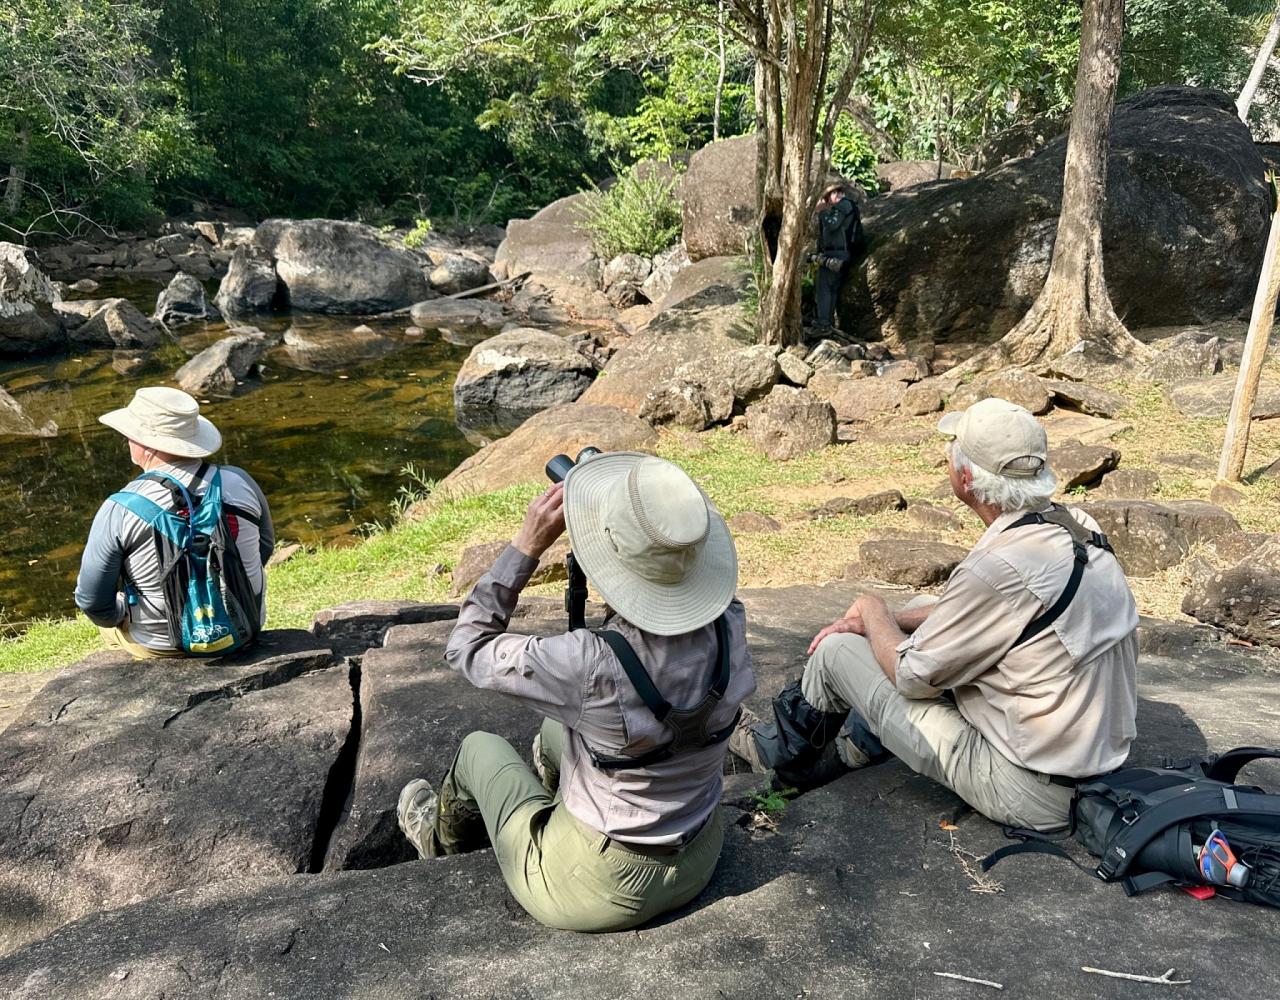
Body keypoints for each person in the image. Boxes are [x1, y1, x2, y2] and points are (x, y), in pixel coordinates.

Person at [730, 398, 1139, 833]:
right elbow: (986, 616)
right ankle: (852, 752)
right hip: (1090, 773)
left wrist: (871, 611)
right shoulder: (1076, 524)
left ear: (965, 477)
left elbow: (911, 675)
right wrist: (894, 619)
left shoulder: (998, 568)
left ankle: (777, 757)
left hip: (1027, 791)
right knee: (904, 619)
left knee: (836, 651)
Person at [397, 453, 755, 931]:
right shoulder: (731, 622)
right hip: (699, 851)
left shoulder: (589, 663)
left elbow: (467, 646)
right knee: (555, 728)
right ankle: (558, 794)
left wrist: (526, 545)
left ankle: (439, 844)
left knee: (479, 750)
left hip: (600, 885)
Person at [74, 386, 273, 658]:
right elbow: (265, 547)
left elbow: (92, 601)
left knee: (109, 629)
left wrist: (120, 612)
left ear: (146, 443)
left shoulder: (119, 508)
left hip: (164, 644)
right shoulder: (240, 481)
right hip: (243, 628)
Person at [810, 182, 862, 334]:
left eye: (833, 193)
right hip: (838, 254)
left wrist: (821, 212)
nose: (833, 196)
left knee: (824, 288)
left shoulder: (844, 205)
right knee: (830, 289)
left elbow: (833, 225)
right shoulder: (843, 207)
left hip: (837, 255)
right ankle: (827, 324)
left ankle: (824, 324)